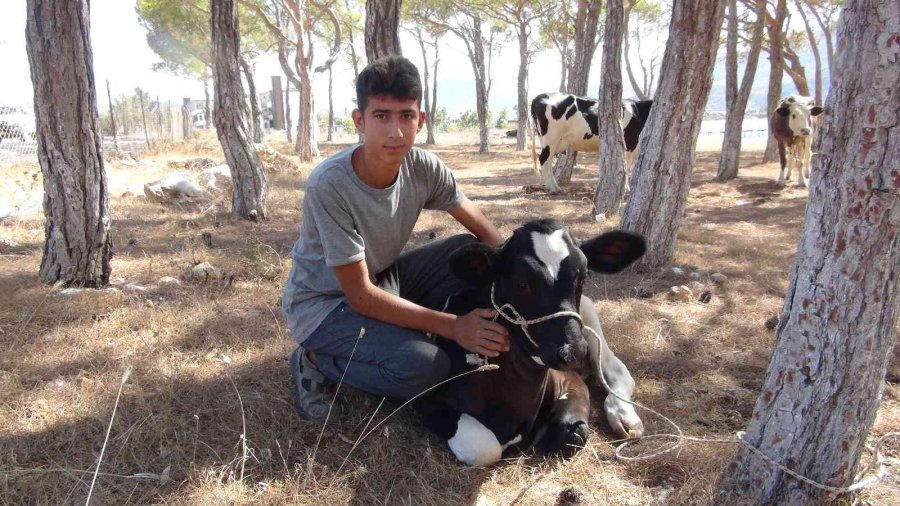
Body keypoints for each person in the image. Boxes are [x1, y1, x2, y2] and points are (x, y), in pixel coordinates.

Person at [282, 55, 510, 421]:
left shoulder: (423, 166)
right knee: (427, 368)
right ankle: (315, 360)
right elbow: (359, 296)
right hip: (323, 306)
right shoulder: (330, 185)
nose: (396, 131)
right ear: (360, 121)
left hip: (382, 278)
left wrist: (522, 279)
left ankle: (424, 332)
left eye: (406, 115)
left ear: (421, 120)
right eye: (382, 116)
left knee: (468, 251)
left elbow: (485, 232)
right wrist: (453, 327)